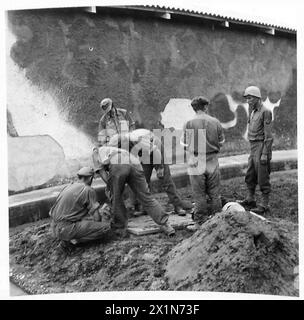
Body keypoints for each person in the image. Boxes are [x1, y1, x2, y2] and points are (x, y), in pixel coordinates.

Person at [93, 145, 175, 236]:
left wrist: (110, 187)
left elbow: (102, 173)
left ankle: (120, 228)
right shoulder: (112, 149)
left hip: (118, 163)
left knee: (116, 197)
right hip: (135, 163)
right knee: (146, 196)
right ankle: (165, 224)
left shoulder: (95, 153)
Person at [107, 129, 193, 216]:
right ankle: (145, 208)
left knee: (165, 178)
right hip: (144, 154)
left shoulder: (136, 139)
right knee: (142, 180)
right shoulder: (123, 148)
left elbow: (155, 151)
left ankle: (177, 205)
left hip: (155, 148)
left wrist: (160, 167)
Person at [182, 96, 225, 228]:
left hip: (195, 159)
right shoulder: (215, 122)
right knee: (215, 193)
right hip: (212, 159)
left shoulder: (188, 123)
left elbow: (184, 143)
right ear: (205, 107)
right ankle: (218, 221)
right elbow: (221, 141)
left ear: (194, 108)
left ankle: (200, 222)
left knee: (199, 193)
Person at [49, 167, 111, 252]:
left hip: (54, 227)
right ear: (90, 178)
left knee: (85, 222)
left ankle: (67, 238)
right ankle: (74, 242)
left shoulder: (68, 186)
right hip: (66, 229)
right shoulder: (88, 189)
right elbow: (97, 218)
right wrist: (98, 226)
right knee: (106, 228)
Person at [238, 86, 273, 215]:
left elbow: (268, 136)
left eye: (250, 97)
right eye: (246, 98)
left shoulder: (266, 112)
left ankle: (264, 205)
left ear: (257, 97)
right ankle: (250, 199)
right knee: (250, 174)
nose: (248, 100)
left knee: (262, 176)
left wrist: (264, 153)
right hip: (253, 147)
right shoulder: (252, 111)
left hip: (261, 146)